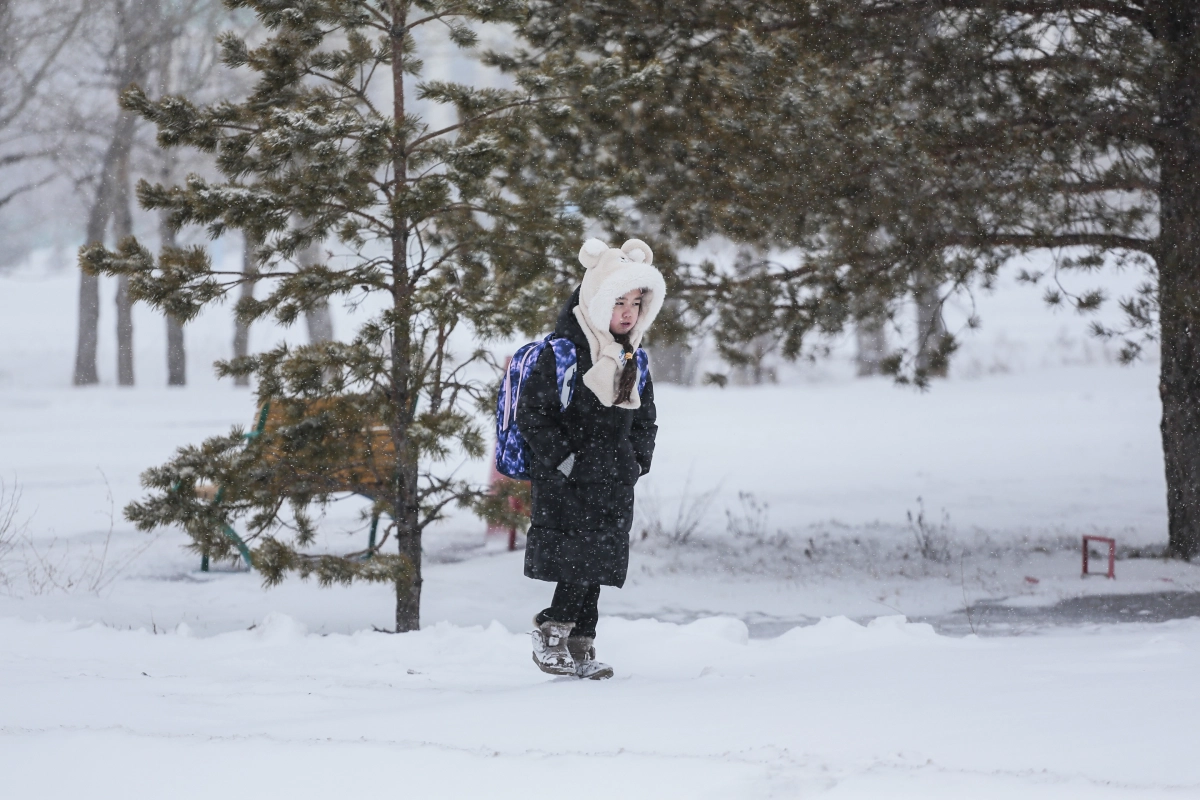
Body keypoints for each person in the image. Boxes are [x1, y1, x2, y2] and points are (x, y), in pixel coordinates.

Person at [516, 237, 665, 679]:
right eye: (618, 301)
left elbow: (646, 416)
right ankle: (551, 630)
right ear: (597, 298)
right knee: (577, 560)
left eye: (636, 303)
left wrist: (639, 458)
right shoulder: (562, 353)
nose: (627, 312)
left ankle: (581, 642)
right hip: (569, 479)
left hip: (614, 477)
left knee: (597, 563)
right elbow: (534, 416)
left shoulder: (630, 354)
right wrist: (566, 462)